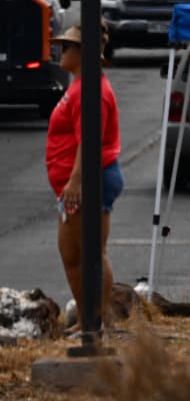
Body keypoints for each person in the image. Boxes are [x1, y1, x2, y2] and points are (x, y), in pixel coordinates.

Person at [46, 24, 124, 336]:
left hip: (92, 178)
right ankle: (87, 318)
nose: (61, 51)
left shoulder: (92, 90)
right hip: (75, 179)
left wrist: (76, 181)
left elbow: (89, 141)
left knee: (91, 251)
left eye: (68, 46)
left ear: (84, 53)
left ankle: (97, 320)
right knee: (71, 253)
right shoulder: (79, 86)